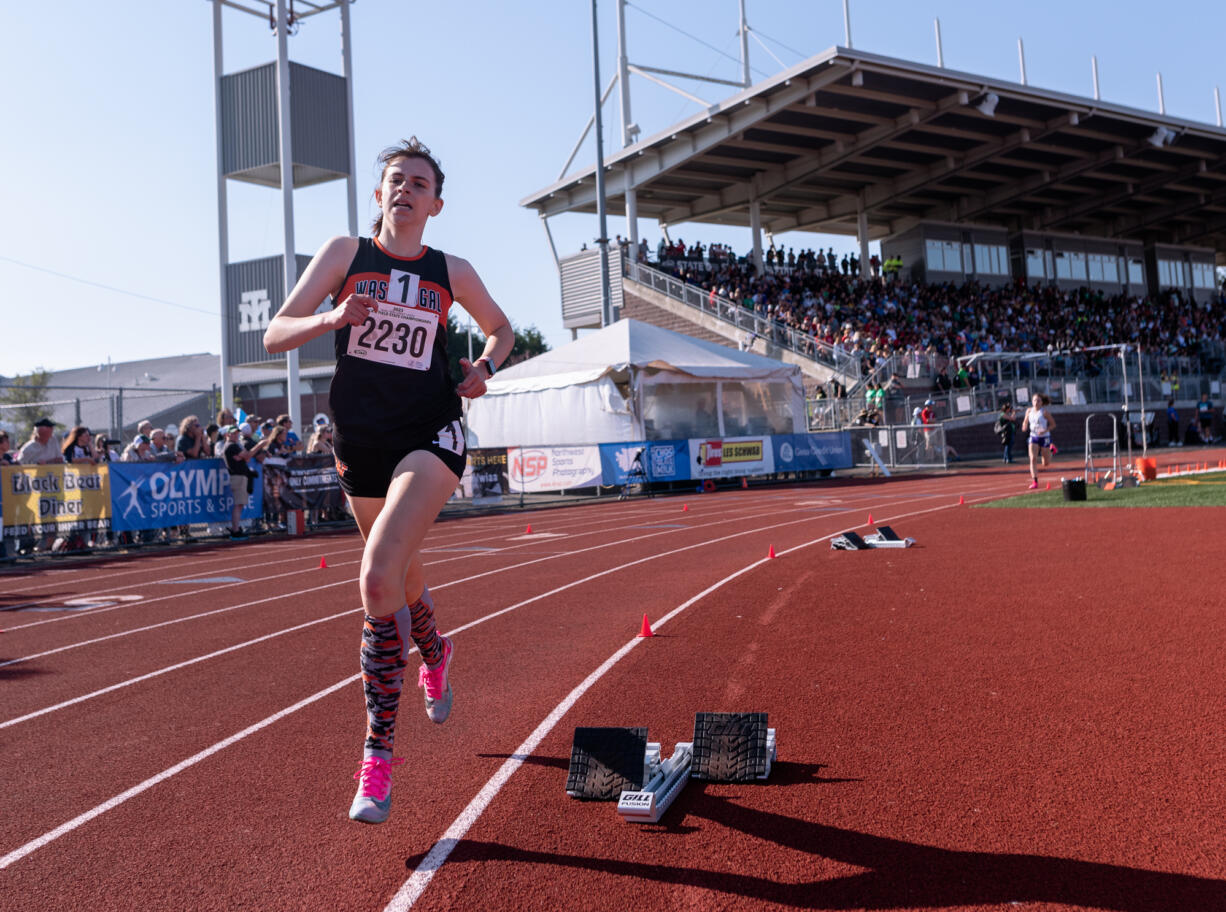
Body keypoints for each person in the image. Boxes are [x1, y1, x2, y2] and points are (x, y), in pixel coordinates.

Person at [262, 137, 513, 825]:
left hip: (431, 431)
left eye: (419, 182)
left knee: (376, 577)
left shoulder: (449, 269)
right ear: (379, 196)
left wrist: (483, 371)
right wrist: (331, 317)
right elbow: (274, 334)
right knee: (398, 577)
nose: (405, 188)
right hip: (360, 444)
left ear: (435, 203)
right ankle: (436, 648)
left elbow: (501, 328)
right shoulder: (346, 255)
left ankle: (378, 756)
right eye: (394, 180)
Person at [1021, 392, 1056, 489]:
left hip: (1045, 437)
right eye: (1034, 400)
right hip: (1033, 436)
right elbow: (1025, 421)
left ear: (1041, 402)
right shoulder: (1028, 411)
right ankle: (1035, 481)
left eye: (1038, 400)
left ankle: (1051, 450)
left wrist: (1045, 430)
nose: (1036, 402)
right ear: (1032, 402)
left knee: (1046, 463)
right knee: (1032, 458)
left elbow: (1053, 425)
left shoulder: (1044, 412)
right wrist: (1024, 426)